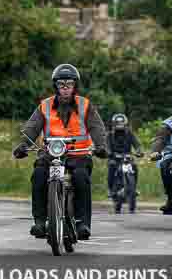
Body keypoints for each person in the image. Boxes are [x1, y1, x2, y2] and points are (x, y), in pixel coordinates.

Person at [12, 63, 108, 240]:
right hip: (50, 154)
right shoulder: (45, 106)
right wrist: (24, 145)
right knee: (39, 174)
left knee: (81, 178)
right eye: (61, 84)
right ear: (55, 86)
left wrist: (101, 146)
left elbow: (97, 128)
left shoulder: (85, 105)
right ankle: (40, 221)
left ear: (75, 86)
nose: (65, 88)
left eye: (69, 84)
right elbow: (32, 128)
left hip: (79, 154)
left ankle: (82, 224)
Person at [107, 113, 144, 212]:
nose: (119, 125)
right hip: (114, 158)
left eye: (121, 123)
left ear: (125, 123)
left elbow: (137, 144)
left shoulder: (129, 134)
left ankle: (133, 188)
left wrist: (139, 151)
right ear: (114, 124)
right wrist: (109, 153)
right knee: (111, 166)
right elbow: (107, 146)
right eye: (117, 123)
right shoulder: (110, 135)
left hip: (127, 158)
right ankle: (111, 190)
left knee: (135, 166)